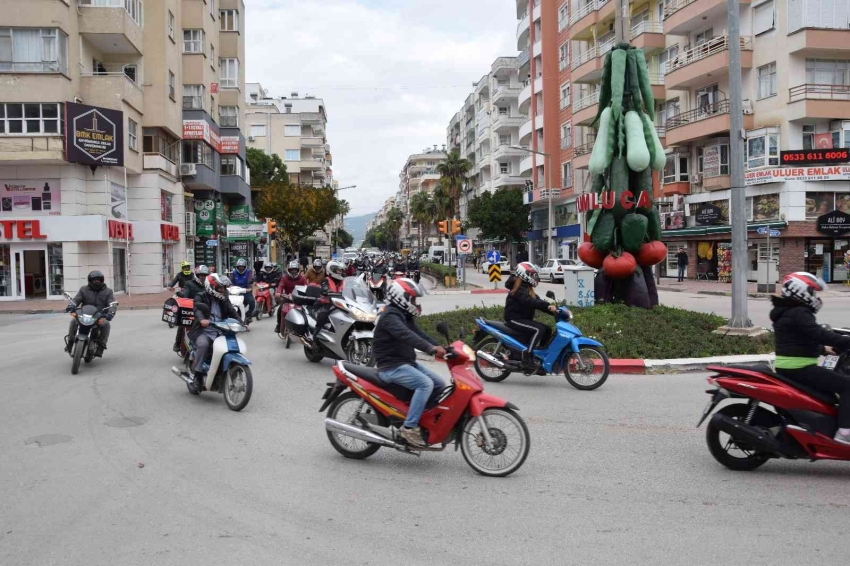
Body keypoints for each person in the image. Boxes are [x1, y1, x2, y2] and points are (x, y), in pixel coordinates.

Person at [771, 272, 850, 445]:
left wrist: (824, 349)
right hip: (799, 367)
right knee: (846, 386)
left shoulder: (788, 311)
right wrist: (845, 342)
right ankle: (844, 433)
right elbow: (818, 333)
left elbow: (800, 340)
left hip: (792, 365)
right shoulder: (799, 312)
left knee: (829, 394)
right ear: (801, 291)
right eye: (813, 292)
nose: (815, 297)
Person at [374, 278, 447, 448]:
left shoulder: (403, 315)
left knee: (439, 384)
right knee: (425, 384)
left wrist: (441, 347)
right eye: (413, 299)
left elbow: (418, 333)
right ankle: (409, 428)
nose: (415, 303)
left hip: (405, 362)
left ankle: (422, 419)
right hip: (391, 366)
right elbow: (406, 335)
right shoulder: (390, 316)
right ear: (402, 297)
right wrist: (431, 349)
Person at [188, 274, 239, 394]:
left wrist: (243, 323)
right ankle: (198, 375)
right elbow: (197, 309)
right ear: (212, 287)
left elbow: (232, 311)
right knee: (203, 344)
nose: (224, 291)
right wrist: (202, 320)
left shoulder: (224, 299)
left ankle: (221, 372)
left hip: (220, 330)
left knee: (228, 345)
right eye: (221, 288)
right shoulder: (201, 296)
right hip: (203, 330)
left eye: (224, 288)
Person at [504, 263, 558, 368]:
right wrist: (547, 306)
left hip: (522, 319)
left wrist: (555, 310)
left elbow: (537, 302)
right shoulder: (519, 289)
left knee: (547, 329)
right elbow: (529, 301)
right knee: (539, 329)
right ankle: (527, 358)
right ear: (525, 274)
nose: (535, 277)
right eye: (533, 275)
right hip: (514, 319)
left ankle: (540, 356)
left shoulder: (527, 288)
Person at [65, 270, 116, 355]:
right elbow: (76, 299)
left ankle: (101, 346)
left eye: (98, 280)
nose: (96, 282)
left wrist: (111, 312)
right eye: (94, 280)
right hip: (85, 314)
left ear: (102, 280)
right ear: (90, 280)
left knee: (106, 324)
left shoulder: (108, 291)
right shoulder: (83, 290)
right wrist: (71, 305)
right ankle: (70, 342)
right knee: (73, 321)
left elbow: (112, 303)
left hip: (99, 316)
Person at [172, 265, 208, 352]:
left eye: (205, 275)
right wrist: (179, 294)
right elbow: (185, 296)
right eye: (201, 275)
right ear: (197, 275)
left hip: (205, 310)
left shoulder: (208, 285)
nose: (203, 277)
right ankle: (177, 343)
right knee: (183, 324)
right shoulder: (189, 284)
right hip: (191, 309)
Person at [311, 259, 346, 344]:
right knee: (322, 316)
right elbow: (324, 288)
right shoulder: (326, 280)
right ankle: (314, 338)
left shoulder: (343, 281)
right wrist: (326, 290)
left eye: (341, 270)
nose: (340, 272)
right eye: (338, 270)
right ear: (332, 270)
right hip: (325, 304)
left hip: (339, 304)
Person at [275, 260, 307, 334]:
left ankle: (304, 328)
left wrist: (306, 295)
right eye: (291, 270)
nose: (293, 271)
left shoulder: (302, 278)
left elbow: (306, 288)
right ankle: (279, 325)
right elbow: (280, 286)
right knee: (280, 309)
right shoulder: (284, 278)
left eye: (295, 270)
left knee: (305, 312)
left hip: (299, 299)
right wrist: (278, 293)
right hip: (287, 298)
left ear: (298, 270)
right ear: (288, 270)